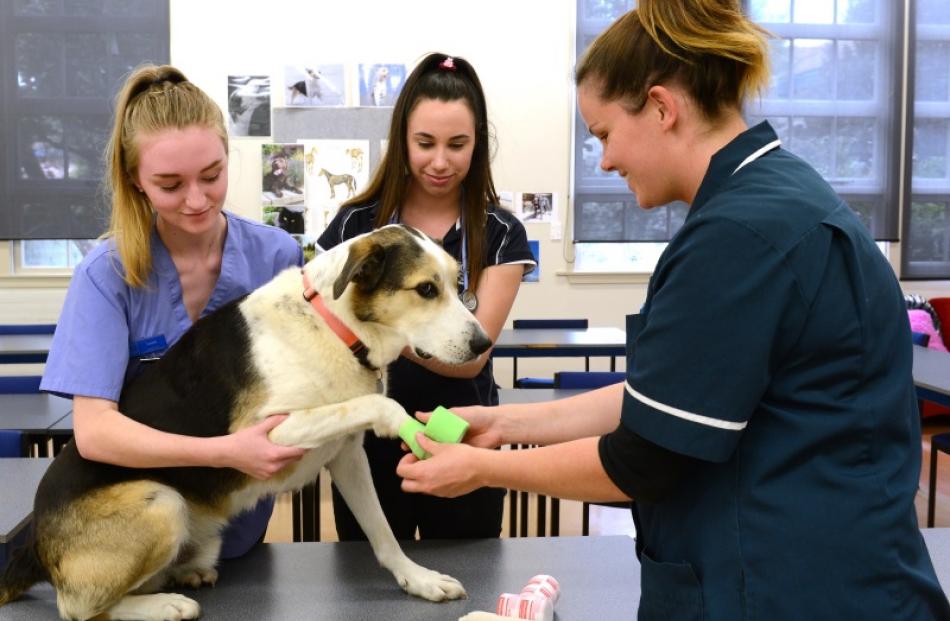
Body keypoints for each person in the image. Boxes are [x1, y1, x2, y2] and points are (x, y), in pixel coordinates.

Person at [396, 3, 950, 619]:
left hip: (785, 585)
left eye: (604, 134)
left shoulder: (741, 234)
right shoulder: (774, 198)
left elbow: (642, 460)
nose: (604, 161)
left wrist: (481, 469)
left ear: (662, 108)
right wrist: (504, 428)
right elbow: (669, 399)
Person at [40, 64, 307, 559]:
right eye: (170, 184)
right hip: (140, 534)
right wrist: (224, 453)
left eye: (212, 176)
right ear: (135, 180)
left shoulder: (276, 258)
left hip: (239, 535)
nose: (196, 200)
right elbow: (95, 433)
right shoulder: (106, 275)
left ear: (228, 156)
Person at [318, 52, 536, 540]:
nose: (441, 161)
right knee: (368, 589)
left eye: (458, 144)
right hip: (366, 439)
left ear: (478, 144)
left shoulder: (499, 233)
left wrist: (383, 328)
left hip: (460, 434)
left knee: (465, 580)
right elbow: (321, 327)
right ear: (402, 141)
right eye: (425, 143)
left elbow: (471, 359)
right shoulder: (356, 225)